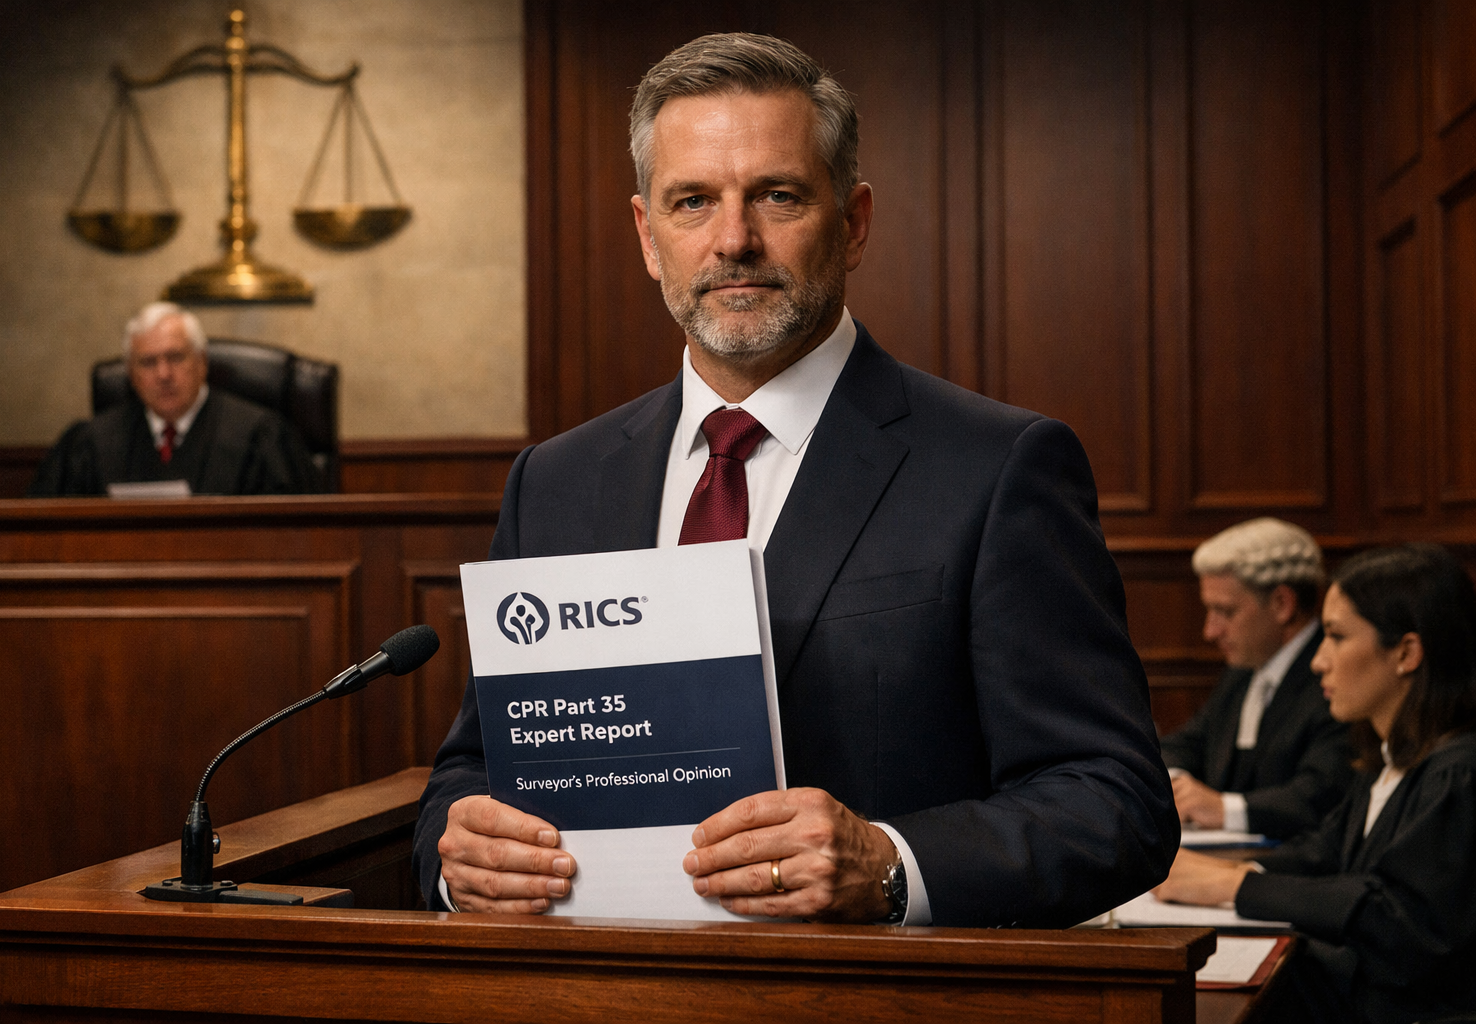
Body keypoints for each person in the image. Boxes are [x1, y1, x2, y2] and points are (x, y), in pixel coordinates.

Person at [413, 32, 1179, 928]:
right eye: (693, 202)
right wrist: (458, 859)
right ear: (648, 236)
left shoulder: (999, 466)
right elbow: (471, 771)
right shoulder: (555, 480)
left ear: (852, 223)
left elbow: (1115, 801)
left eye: (778, 196)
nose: (733, 240)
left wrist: (891, 866)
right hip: (593, 983)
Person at [1154, 544, 1476, 1024]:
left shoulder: (1456, 774)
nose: (1318, 661)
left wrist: (1235, 884)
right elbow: (1323, 851)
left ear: (1406, 653)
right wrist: (1218, 871)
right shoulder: (1386, 763)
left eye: (1336, 637)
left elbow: (1399, 922)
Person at [1161, 518, 1354, 838]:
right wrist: (1178, 783)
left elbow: (1324, 792)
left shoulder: (1336, 676)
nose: (1210, 631)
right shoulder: (1241, 673)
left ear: (1282, 604)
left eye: (1225, 611)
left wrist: (1226, 810)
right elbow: (1184, 744)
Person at [29, 302, 323, 496]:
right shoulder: (90, 444)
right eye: (148, 362)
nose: (164, 374)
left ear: (202, 362)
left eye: (175, 358)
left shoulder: (260, 436)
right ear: (131, 374)